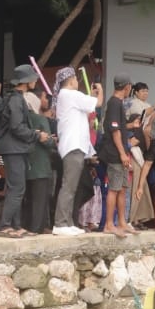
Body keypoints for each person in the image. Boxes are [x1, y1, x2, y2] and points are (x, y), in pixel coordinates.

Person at [0, 65, 50, 238]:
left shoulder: (11, 97)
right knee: (17, 188)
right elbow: (16, 127)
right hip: (14, 149)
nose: (35, 81)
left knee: (15, 188)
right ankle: (4, 226)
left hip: (12, 148)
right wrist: (36, 135)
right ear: (26, 81)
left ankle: (16, 225)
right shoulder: (17, 100)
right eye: (33, 78)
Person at [51, 67, 98, 236]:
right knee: (69, 187)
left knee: (71, 187)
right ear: (71, 80)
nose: (78, 82)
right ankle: (60, 223)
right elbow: (97, 103)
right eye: (76, 79)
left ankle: (68, 222)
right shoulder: (70, 94)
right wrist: (99, 91)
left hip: (73, 146)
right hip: (73, 146)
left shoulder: (66, 96)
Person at [95, 74, 134, 237]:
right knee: (114, 189)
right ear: (127, 87)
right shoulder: (114, 104)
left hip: (122, 153)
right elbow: (115, 131)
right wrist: (122, 154)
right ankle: (109, 224)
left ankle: (122, 222)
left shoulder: (118, 103)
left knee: (123, 188)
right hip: (115, 154)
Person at [23, 96, 56, 235]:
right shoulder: (40, 119)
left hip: (25, 164)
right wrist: (52, 140)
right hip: (41, 165)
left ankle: (26, 226)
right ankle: (37, 228)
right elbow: (48, 142)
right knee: (40, 201)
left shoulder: (21, 120)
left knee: (28, 199)